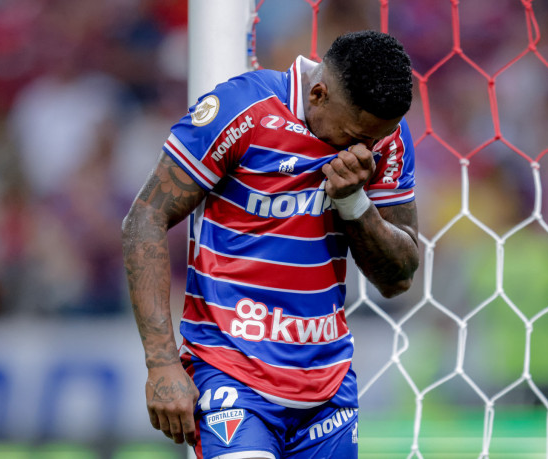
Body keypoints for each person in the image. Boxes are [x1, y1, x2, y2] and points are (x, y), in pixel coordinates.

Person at [122, 30, 419, 459]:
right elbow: (144, 219)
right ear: (318, 94)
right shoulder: (242, 110)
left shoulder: (384, 136)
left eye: (376, 139)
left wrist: (355, 203)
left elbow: (399, 278)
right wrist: (162, 362)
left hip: (327, 385)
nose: (367, 150)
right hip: (230, 372)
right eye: (356, 136)